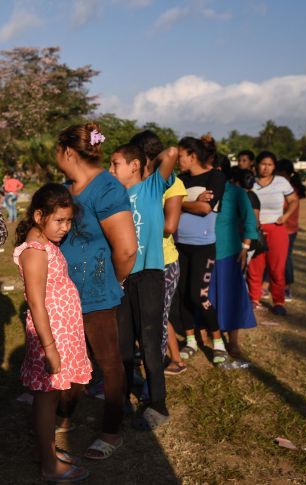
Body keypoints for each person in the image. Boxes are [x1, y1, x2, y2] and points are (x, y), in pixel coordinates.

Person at [53, 123, 137, 461]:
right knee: (68, 361)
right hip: (65, 294)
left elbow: (127, 249)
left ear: (68, 152)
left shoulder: (107, 189)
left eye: (57, 152)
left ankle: (111, 431)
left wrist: (110, 283)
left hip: (97, 293)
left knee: (108, 361)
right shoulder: (66, 188)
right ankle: (63, 417)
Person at [13, 183, 92, 483]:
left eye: (69, 221)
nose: (65, 227)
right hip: (51, 336)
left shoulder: (45, 245)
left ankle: (47, 452)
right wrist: (49, 347)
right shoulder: (35, 251)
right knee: (46, 399)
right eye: (59, 221)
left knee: (51, 395)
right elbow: (35, 301)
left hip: (60, 332)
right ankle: (48, 464)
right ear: (38, 216)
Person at [110, 141, 178, 430]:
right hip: (120, 279)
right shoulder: (114, 198)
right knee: (123, 345)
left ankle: (158, 404)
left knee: (150, 342)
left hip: (149, 275)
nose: (110, 169)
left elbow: (172, 152)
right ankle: (123, 400)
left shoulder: (152, 187)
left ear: (134, 166)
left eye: (115, 164)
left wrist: (147, 160)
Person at [195, 155, 259, 361]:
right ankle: (203, 336)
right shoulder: (198, 191)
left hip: (227, 253)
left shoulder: (237, 193)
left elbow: (250, 221)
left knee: (231, 297)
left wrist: (246, 246)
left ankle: (233, 341)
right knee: (204, 296)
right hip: (201, 251)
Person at [174, 135, 229, 364]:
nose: (178, 161)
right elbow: (171, 204)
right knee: (183, 296)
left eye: (181, 156)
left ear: (192, 155)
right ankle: (190, 341)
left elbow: (205, 208)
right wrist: (190, 201)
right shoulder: (179, 179)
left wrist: (181, 202)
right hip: (179, 245)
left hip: (203, 246)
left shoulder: (216, 177)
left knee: (199, 296)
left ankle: (217, 341)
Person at [246, 151, 299, 316]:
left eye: (270, 165)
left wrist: (285, 216)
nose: (266, 168)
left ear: (274, 166)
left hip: (277, 229)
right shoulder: (250, 183)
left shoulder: (281, 182)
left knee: (277, 268)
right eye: (263, 164)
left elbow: (294, 200)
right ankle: (253, 299)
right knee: (255, 266)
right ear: (256, 165)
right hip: (256, 229)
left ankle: (278, 301)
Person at [275, 159, 306, 300]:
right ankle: (267, 284)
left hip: (288, 229)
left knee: (286, 257)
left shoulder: (290, 188)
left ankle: (287, 287)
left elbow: (285, 207)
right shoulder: (280, 185)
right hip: (278, 227)